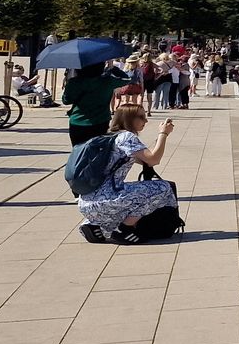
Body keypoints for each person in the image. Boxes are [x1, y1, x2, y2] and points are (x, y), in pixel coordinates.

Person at [76, 101, 181, 244]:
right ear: (129, 119)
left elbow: (144, 160)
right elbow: (153, 160)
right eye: (141, 117)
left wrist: (157, 143)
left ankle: (93, 225)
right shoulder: (127, 137)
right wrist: (163, 134)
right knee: (162, 188)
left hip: (87, 202)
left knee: (132, 192)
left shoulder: (110, 136)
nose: (145, 121)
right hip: (106, 200)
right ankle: (125, 229)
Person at [63, 61, 137, 146]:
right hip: (100, 121)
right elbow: (127, 79)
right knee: (97, 151)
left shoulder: (74, 82)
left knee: (78, 151)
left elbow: (66, 101)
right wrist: (112, 68)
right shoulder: (107, 81)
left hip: (78, 121)